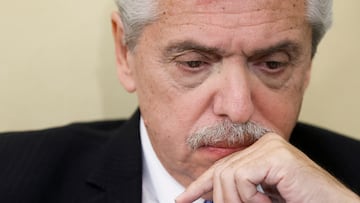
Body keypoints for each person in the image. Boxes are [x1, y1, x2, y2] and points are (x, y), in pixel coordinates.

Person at [0, 0, 359, 202]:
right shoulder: (12, 177)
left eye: (272, 64)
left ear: (307, 65)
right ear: (125, 53)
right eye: (193, 63)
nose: (237, 107)